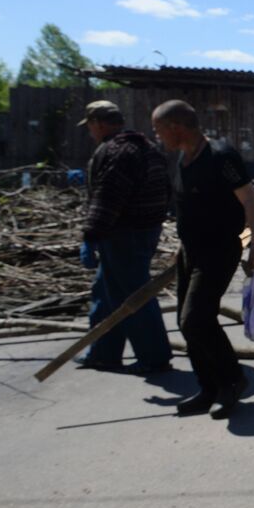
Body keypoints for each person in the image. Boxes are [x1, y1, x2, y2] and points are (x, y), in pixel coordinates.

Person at [151, 100, 254, 418]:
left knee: (195, 319)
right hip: (190, 252)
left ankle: (233, 380)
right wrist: (183, 246)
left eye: (159, 129)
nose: (158, 136)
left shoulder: (220, 155)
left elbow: (250, 200)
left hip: (218, 251)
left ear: (176, 127)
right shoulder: (182, 159)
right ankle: (208, 388)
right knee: (186, 324)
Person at [74, 100, 173, 374]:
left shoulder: (117, 152)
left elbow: (108, 198)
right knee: (106, 292)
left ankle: (154, 357)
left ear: (99, 123)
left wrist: (91, 235)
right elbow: (167, 191)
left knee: (135, 296)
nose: (90, 132)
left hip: (124, 234)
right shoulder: (145, 148)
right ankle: (104, 352)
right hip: (143, 230)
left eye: (90, 126)